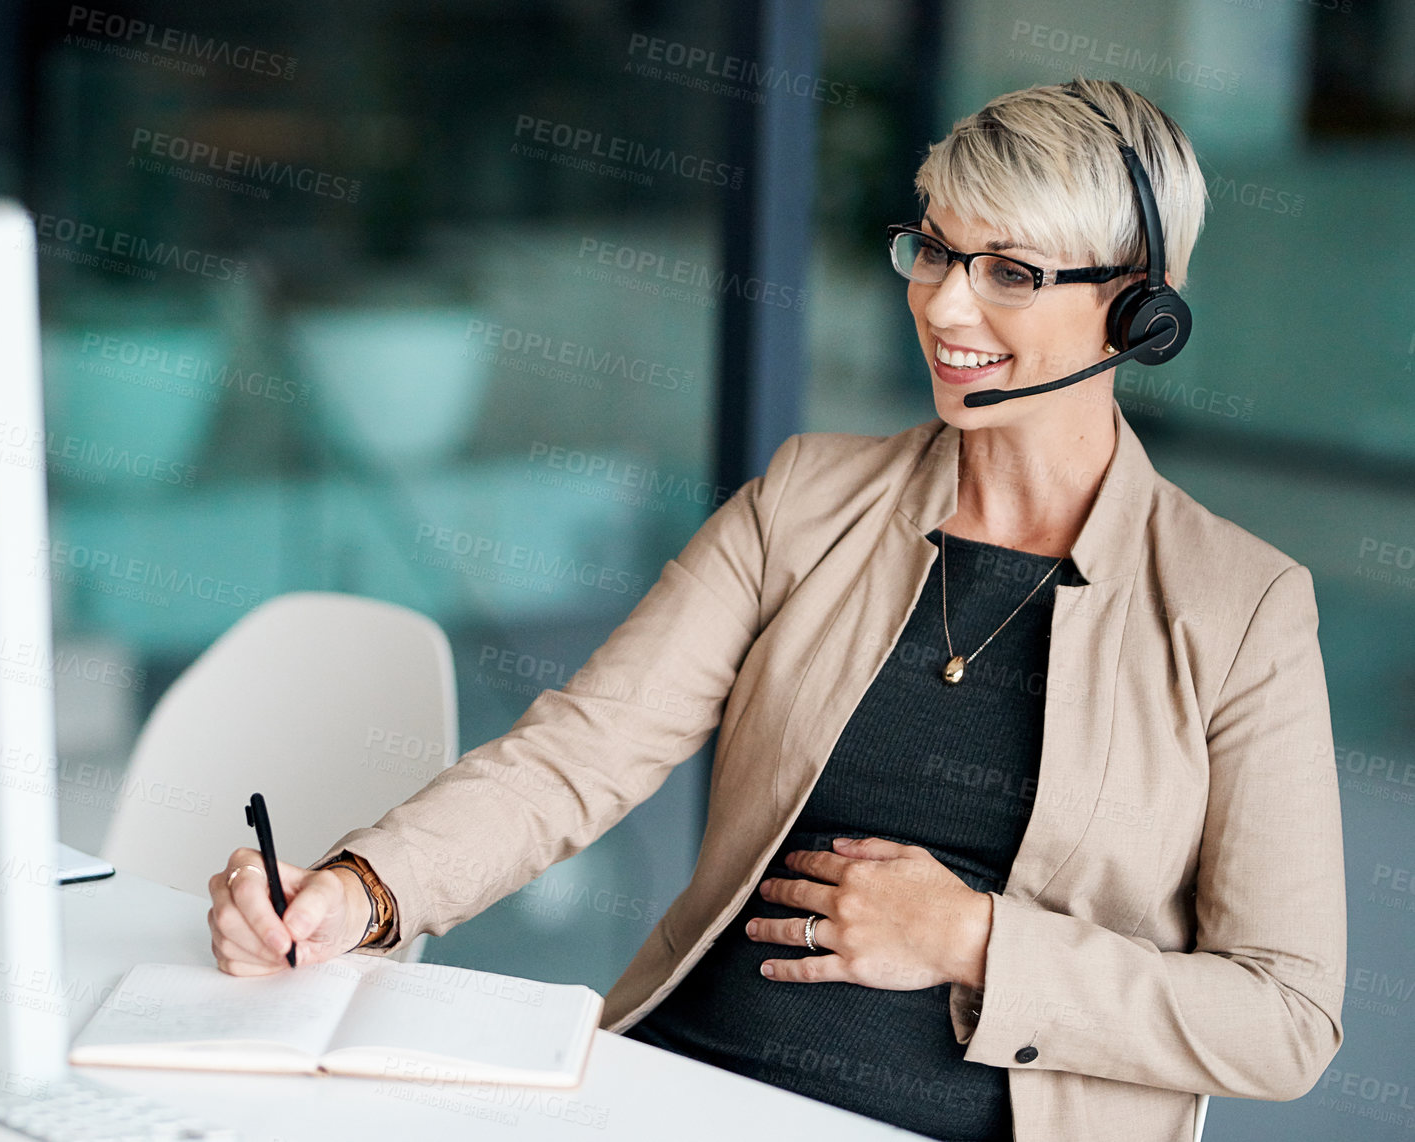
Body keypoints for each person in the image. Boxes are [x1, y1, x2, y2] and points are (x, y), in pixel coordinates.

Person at [205, 77, 1346, 1142]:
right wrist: (362, 891)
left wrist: (973, 938)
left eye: (1009, 272)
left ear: (1137, 314)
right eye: (936, 249)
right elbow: (582, 753)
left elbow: (1285, 1014)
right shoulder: (808, 499)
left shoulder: (1239, 608)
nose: (946, 302)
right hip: (677, 1080)